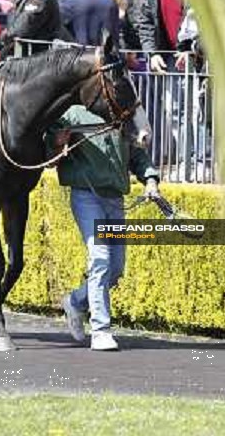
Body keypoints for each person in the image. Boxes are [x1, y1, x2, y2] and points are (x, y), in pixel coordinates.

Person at [47, 105, 160, 351]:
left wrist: (150, 180)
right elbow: (48, 151)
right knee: (100, 259)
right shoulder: (73, 114)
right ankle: (100, 330)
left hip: (115, 200)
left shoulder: (122, 114)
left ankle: (76, 302)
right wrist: (57, 141)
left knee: (116, 268)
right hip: (86, 196)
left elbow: (136, 155)